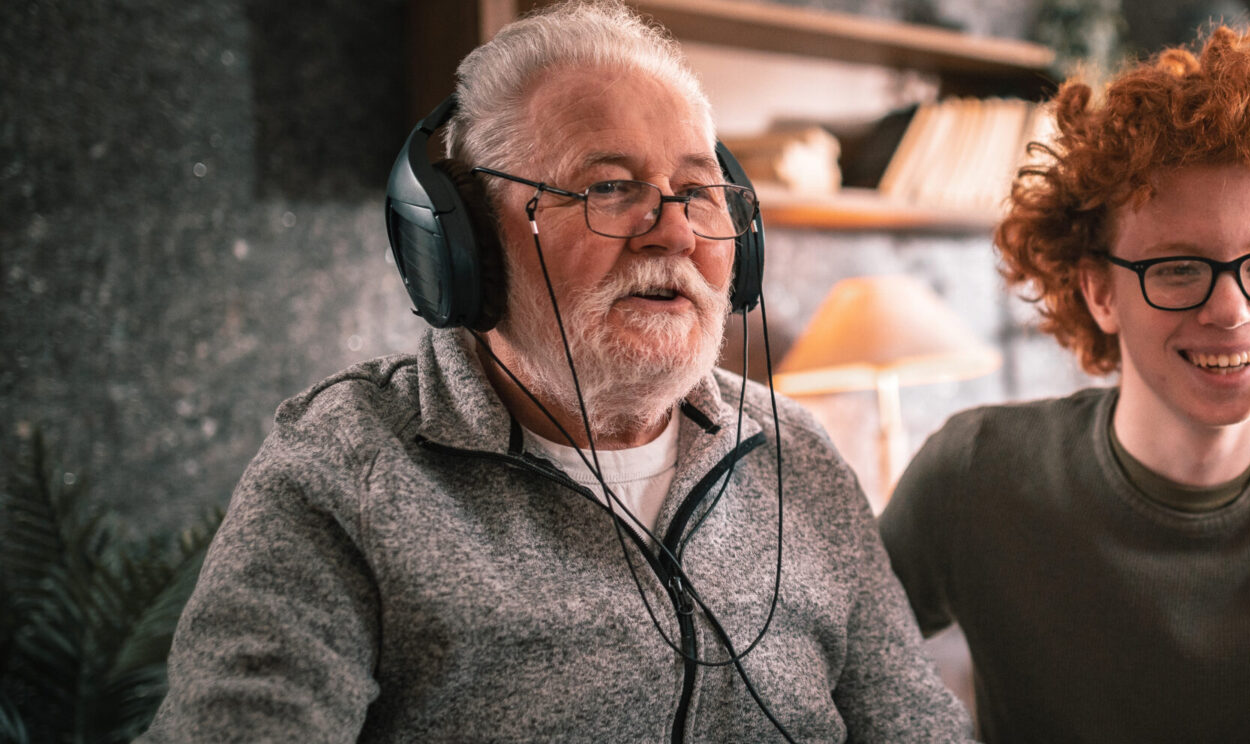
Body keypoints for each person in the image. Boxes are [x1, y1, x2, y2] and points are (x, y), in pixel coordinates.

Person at [142, 1, 970, 741]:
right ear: (465, 243)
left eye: (698, 190)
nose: (675, 233)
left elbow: (917, 726)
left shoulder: (799, 455)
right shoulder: (344, 467)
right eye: (608, 187)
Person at [879, 24, 1250, 743]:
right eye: (1179, 268)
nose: (1231, 310)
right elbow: (827, 664)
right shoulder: (976, 473)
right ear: (1099, 292)